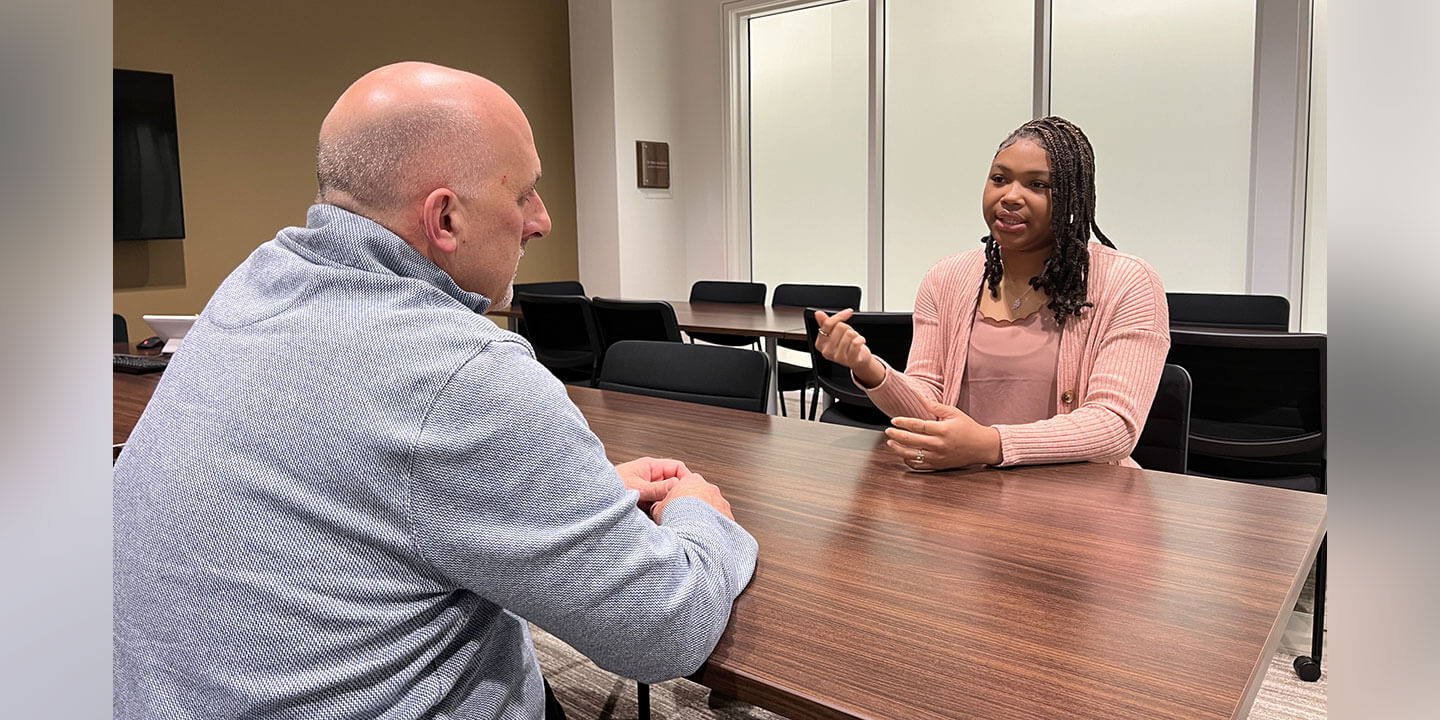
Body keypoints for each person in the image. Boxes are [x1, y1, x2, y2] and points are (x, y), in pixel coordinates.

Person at [112, 62, 758, 720]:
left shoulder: (253, 285)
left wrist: (558, 500)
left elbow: (358, 490)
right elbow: (662, 631)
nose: (543, 220)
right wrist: (699, 513)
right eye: (525, 195)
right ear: (445, 218)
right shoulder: (465, 370)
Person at [815, 116, 1168, 472]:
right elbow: (929, 405)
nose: (1010, 196)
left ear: (1073, 197)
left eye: (1037, 185)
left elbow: (1114, 425)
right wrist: (871, 369)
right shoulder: (945, 278)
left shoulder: (1128, 282)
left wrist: (990, 445)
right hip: (972, 496)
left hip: (1084, 504)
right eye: (999, 179)